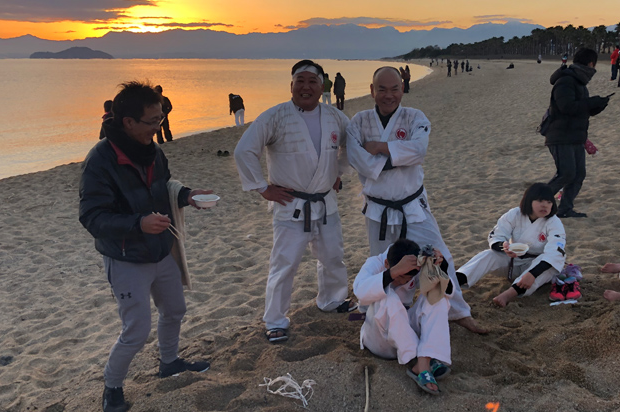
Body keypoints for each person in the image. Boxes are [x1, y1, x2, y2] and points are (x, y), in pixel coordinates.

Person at [79, 81, 212, 412]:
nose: (158, 126)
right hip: (126, 257)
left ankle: (169, 362)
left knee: (175, 310)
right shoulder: (100, 160)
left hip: (161, 250)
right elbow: (92, 217)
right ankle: (112, 387)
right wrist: (138, 223)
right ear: (128, 122)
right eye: (153, 121)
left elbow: (163, 185)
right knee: (136, 331)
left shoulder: (153, 150)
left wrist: (186, 196)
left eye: (160, 118)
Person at [346, 66, 486, 334]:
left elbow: (418, 151)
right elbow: (357, 159)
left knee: (438, 257)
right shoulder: (359, 122)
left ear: (403, 88)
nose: (389, 95)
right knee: (383, 263)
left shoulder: (414, 117)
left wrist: (378, 148)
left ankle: (457, 312)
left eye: (394, 88)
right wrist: (398, 158)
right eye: (382, 89)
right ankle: (380, 312)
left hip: (412, 206)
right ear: (372, 90)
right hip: (378, 210)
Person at [234, 59, 356, 344]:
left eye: (312, 81)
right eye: (300, 81)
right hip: (290, 205)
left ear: (322, 86)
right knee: (285, 264)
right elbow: (244, 150)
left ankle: (332, 300)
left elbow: (351, 145)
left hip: (325, 202)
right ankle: (275, 320)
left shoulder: (335, 117)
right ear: (291, 85)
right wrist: (262, 187)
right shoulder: (275, 116)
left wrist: (338, 172)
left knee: (332, 256)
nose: (306, 87)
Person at [353, 239, 452, 395]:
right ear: (387, 263)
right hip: (378, 337)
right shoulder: (374, 263)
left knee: (437, 297)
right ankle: (420, 358)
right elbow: (360, 291)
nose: (403, 282)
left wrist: (441, 267)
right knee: (388, 296)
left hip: (404, 327)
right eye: (400, 278)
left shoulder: (415, 264)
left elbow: (445, 291)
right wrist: (393, 273)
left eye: (407, 279)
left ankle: (423, 360)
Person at [456, 183, 568, 307]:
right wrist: (504, 247)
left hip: (536, 266)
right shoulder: (515, 214)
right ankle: (456, 281)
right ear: (529, 201)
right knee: (489, 254)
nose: (545, 205)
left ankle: (508, 295)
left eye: (549, 202)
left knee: (553, 264)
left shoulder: (554, 222)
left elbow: (554, 252)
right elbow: (497, 235)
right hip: (513, 261)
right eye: (540, 201)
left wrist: (532, 274)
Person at [544, 48, 611, 218]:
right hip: (560, 136)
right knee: (566, 174)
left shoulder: (579, 82)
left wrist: (598, 106)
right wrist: (591, 102)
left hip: (576, 136)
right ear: (591, 64)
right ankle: (534, 202)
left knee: (578, 174)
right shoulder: (566, 81)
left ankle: (565, 209)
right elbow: (566, 107)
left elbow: (581, 109)